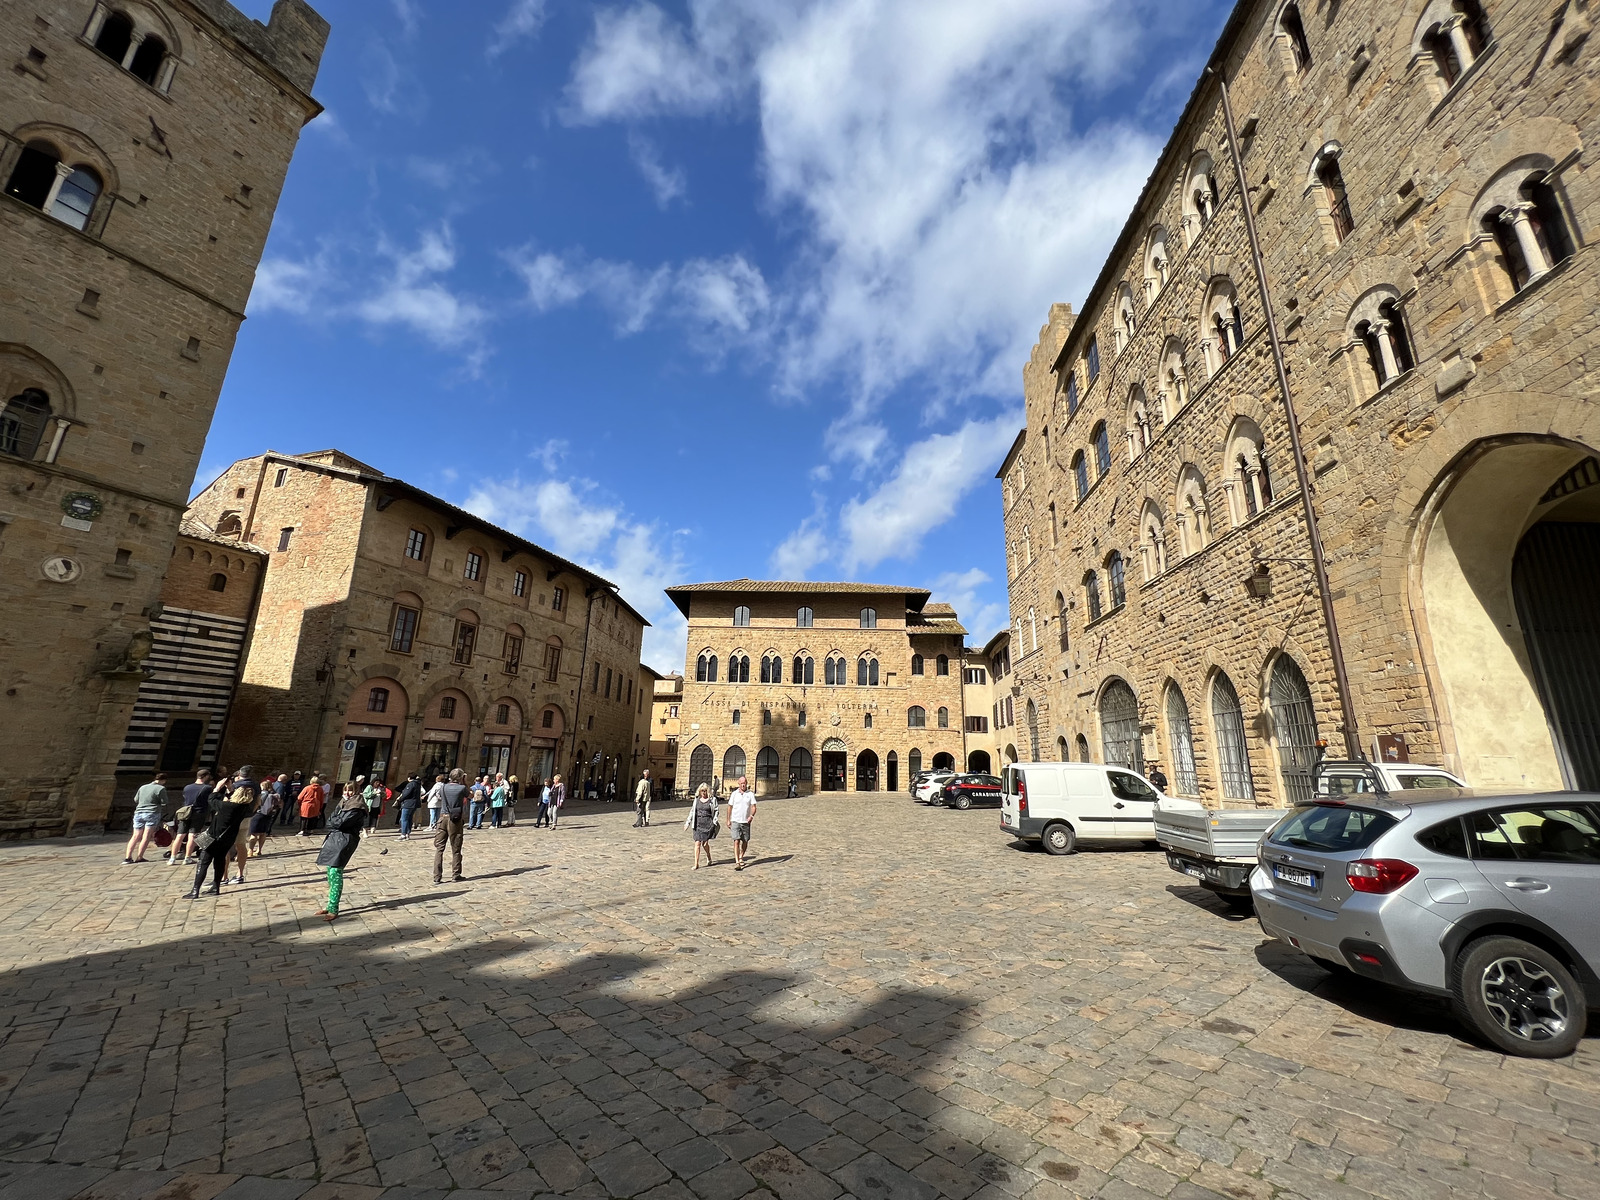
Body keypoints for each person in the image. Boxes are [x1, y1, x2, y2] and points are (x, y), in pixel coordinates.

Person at [183, 771, 259, 898]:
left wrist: (218, 788)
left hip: (213, 838)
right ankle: (216, 887)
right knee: (219, 861)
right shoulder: (244, 808)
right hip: (227, 839)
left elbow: (211, 799)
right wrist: (229, 788)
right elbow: (234, 799)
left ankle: (195, 890)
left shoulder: (225, 806)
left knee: (203, 862)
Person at [316, 790, 368, 921]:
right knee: (330, 872)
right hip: (335, 839)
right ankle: (330, 904)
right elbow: (329, 822)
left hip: (345, 841)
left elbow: (339, 823)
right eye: (345, 789)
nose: (347, 792)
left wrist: (335, 821)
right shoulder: (342, 805)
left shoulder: (357, 809)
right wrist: (336, 817)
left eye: (351, 790)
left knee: (335, 872)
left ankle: (334, 908)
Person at [224, 766, 262, 884]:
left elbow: (226, 802)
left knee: (225, 847)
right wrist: (251, 813)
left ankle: (223, 876)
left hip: (232, 818)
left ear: (240, 774)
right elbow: (258, 802)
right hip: (246, 818)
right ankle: (239, 874)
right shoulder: (256, 786)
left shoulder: (235, 785)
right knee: (241, 845)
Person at [433, 768, 471, 884]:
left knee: (439, 849)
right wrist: (464, 782)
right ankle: (456, 874)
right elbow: (472, 796)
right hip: (454, 820)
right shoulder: (462, 788)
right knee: (456, 848)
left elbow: (439, 796)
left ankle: (437, 876)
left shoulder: (443, 787)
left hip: (442, 818)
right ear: (460, 777)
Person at [124, 772, 169, 864]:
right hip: (152, 813)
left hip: (139, 813)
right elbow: (164, 802)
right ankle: (139, 857)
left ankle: (128, 857)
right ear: (164, 780)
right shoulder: (161, 788)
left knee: (135, 835)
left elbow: (136, 799)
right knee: (146, 836)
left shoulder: (143, 787)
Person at [172, 768, 214, 867]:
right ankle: (187, 858)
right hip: (198, 813)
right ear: (205, 776)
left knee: (180, 835)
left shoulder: (187, 787)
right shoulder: (207, 788)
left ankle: (172, 858)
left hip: (185, 813)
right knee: (192, 835)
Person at [726, 775, 757, 871]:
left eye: (744, 783)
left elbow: (753, 807)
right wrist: (728, 819)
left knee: (745, 840)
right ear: (738, 784)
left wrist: (751, 816)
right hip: (735, 820)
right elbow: (730, 807)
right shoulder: (734, 794)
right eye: (741, 783)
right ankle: (737, 861)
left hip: (745, 821)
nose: (743, 785)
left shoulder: (750, 794)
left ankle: (741, 856)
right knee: (736, 840)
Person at [686, 783, 718, 869]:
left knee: (704, 844)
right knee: (697, 843)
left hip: (708, 824)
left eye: (705, 791)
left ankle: (708, 855)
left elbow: (716, 811)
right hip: (698, 824)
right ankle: (696, 863)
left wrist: (714, 821)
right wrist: (688, 822)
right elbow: (692, 811)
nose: (703, 792)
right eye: (702, 791)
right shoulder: (697, 800)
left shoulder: (712, 800)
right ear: (699, 791)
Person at [246, 774, 278, 856]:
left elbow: (257, 804)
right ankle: (259, 850)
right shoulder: (275, 795)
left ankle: (250, 850)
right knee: (263, 833)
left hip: (258, 814)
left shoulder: (262, 794)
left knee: (254, 834)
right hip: (268, 815)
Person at [395, 773, 423, 839]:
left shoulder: (411, 784)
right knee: (409, 818)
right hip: (414, 804)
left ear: (409, 778)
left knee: (404, 819)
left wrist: (400, 799)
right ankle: (408, 833)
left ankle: (403, 834)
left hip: (408, 803)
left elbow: (406, 794)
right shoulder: (418, 784)